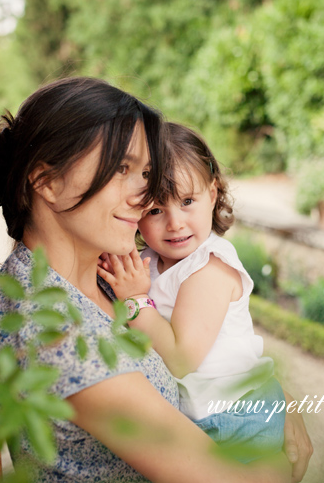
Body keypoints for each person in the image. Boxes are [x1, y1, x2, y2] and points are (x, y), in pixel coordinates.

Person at [0, 77, 312, 483]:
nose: (144, 195)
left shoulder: (104, 270)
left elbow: (212, 346)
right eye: (122, 168)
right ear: (48, 182)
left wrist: (274, 401)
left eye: (144, 172)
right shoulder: (59, 334)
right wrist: (279, 468)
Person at [98, 122, 285, 463]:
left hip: (235, 416)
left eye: (187, 201)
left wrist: (137, 301)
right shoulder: (150, 260)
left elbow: (182, 360)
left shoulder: (209, 269)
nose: (175, 223)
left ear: (212, 195)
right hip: (204, 413)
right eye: (155, 210)